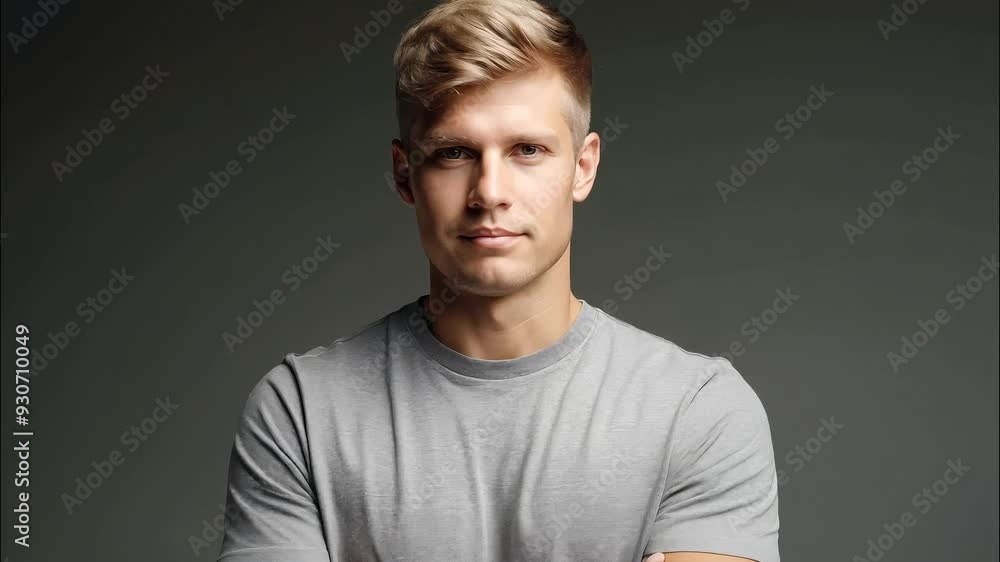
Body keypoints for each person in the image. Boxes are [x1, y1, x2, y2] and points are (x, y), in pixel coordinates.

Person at [216, 1, 780, 560]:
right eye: (454, 153)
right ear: (404, 174)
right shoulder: (300, 413)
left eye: (527, 150)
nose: (489, 192)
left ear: (582, 167)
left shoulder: (699, 411)